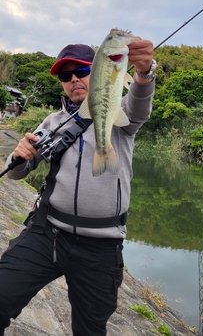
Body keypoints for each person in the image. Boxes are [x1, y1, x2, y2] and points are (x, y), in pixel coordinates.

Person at [0, 36, 156, 336]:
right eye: (65, 76)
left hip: (101, 246)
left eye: (81, 71)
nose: (73, 80)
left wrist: (145, 72)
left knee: (90, 330)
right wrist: (18, 156)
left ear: (97, 71)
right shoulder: (52, 122)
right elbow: (17, 174)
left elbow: (139, 106)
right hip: (47, 233)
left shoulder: (119, 114)